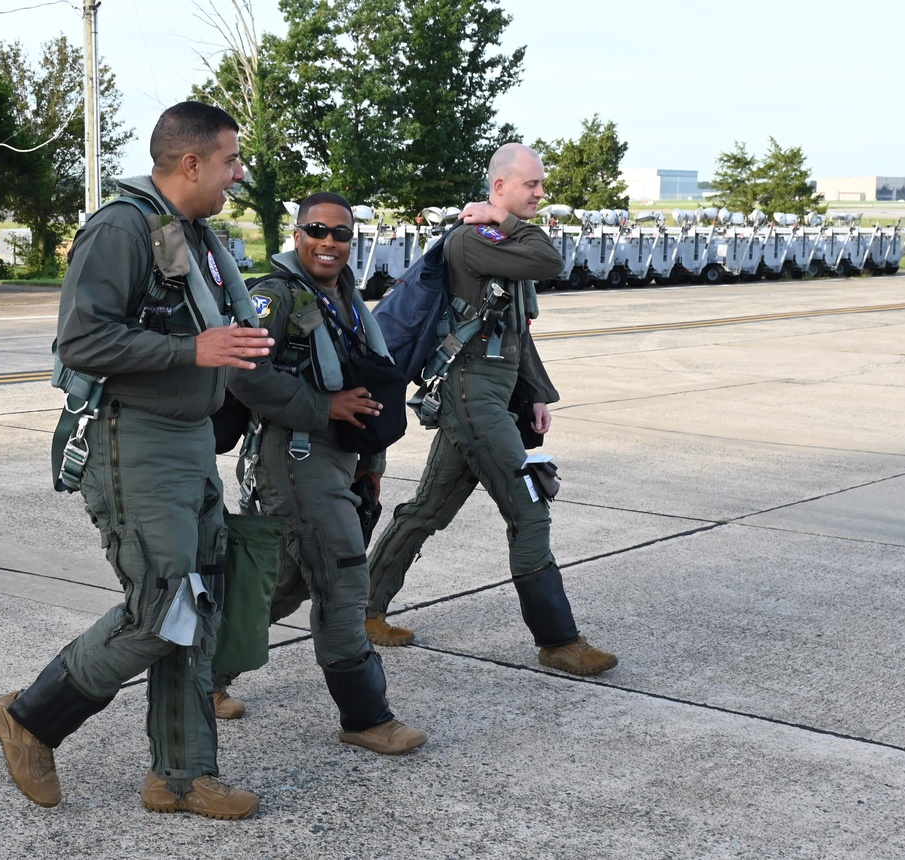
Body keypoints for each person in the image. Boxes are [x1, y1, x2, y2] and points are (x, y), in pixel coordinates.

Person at [0, 101, 273, 819]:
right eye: (231, 162)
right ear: (191, 163)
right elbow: (81, 344)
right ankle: (30, 718)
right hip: (133, 441)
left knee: (196, 609)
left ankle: (181, 777)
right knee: (159, 609)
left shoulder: (196, 236)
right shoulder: (121, 230)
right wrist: (191, 352)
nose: (238, 175)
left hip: (189, 440)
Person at [364, 143, 618, 676]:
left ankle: (362, 609)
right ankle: (558, 640)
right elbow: (551, 259)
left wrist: (537, 394)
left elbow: (513, 330)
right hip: (472, 396)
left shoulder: (501, 242)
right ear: (500, 187)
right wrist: (503, 220)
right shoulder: (473, 240)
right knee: (530, 508)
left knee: (427, 511)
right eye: (532, 185)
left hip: (489, 396)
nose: (542, 194)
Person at [211, 192, 427, 755]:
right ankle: (365, 716)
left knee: (288, 581)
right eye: (317, 230)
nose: (330, 242)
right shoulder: (273, 297)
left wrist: (372, 463)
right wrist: (323, 408)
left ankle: (204, 674)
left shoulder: (348, 298)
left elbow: (370, 382)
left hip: (341, 458)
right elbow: (243, 374)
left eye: (341, 234)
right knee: (345, 576)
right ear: (297, 233)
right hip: (294, 456)